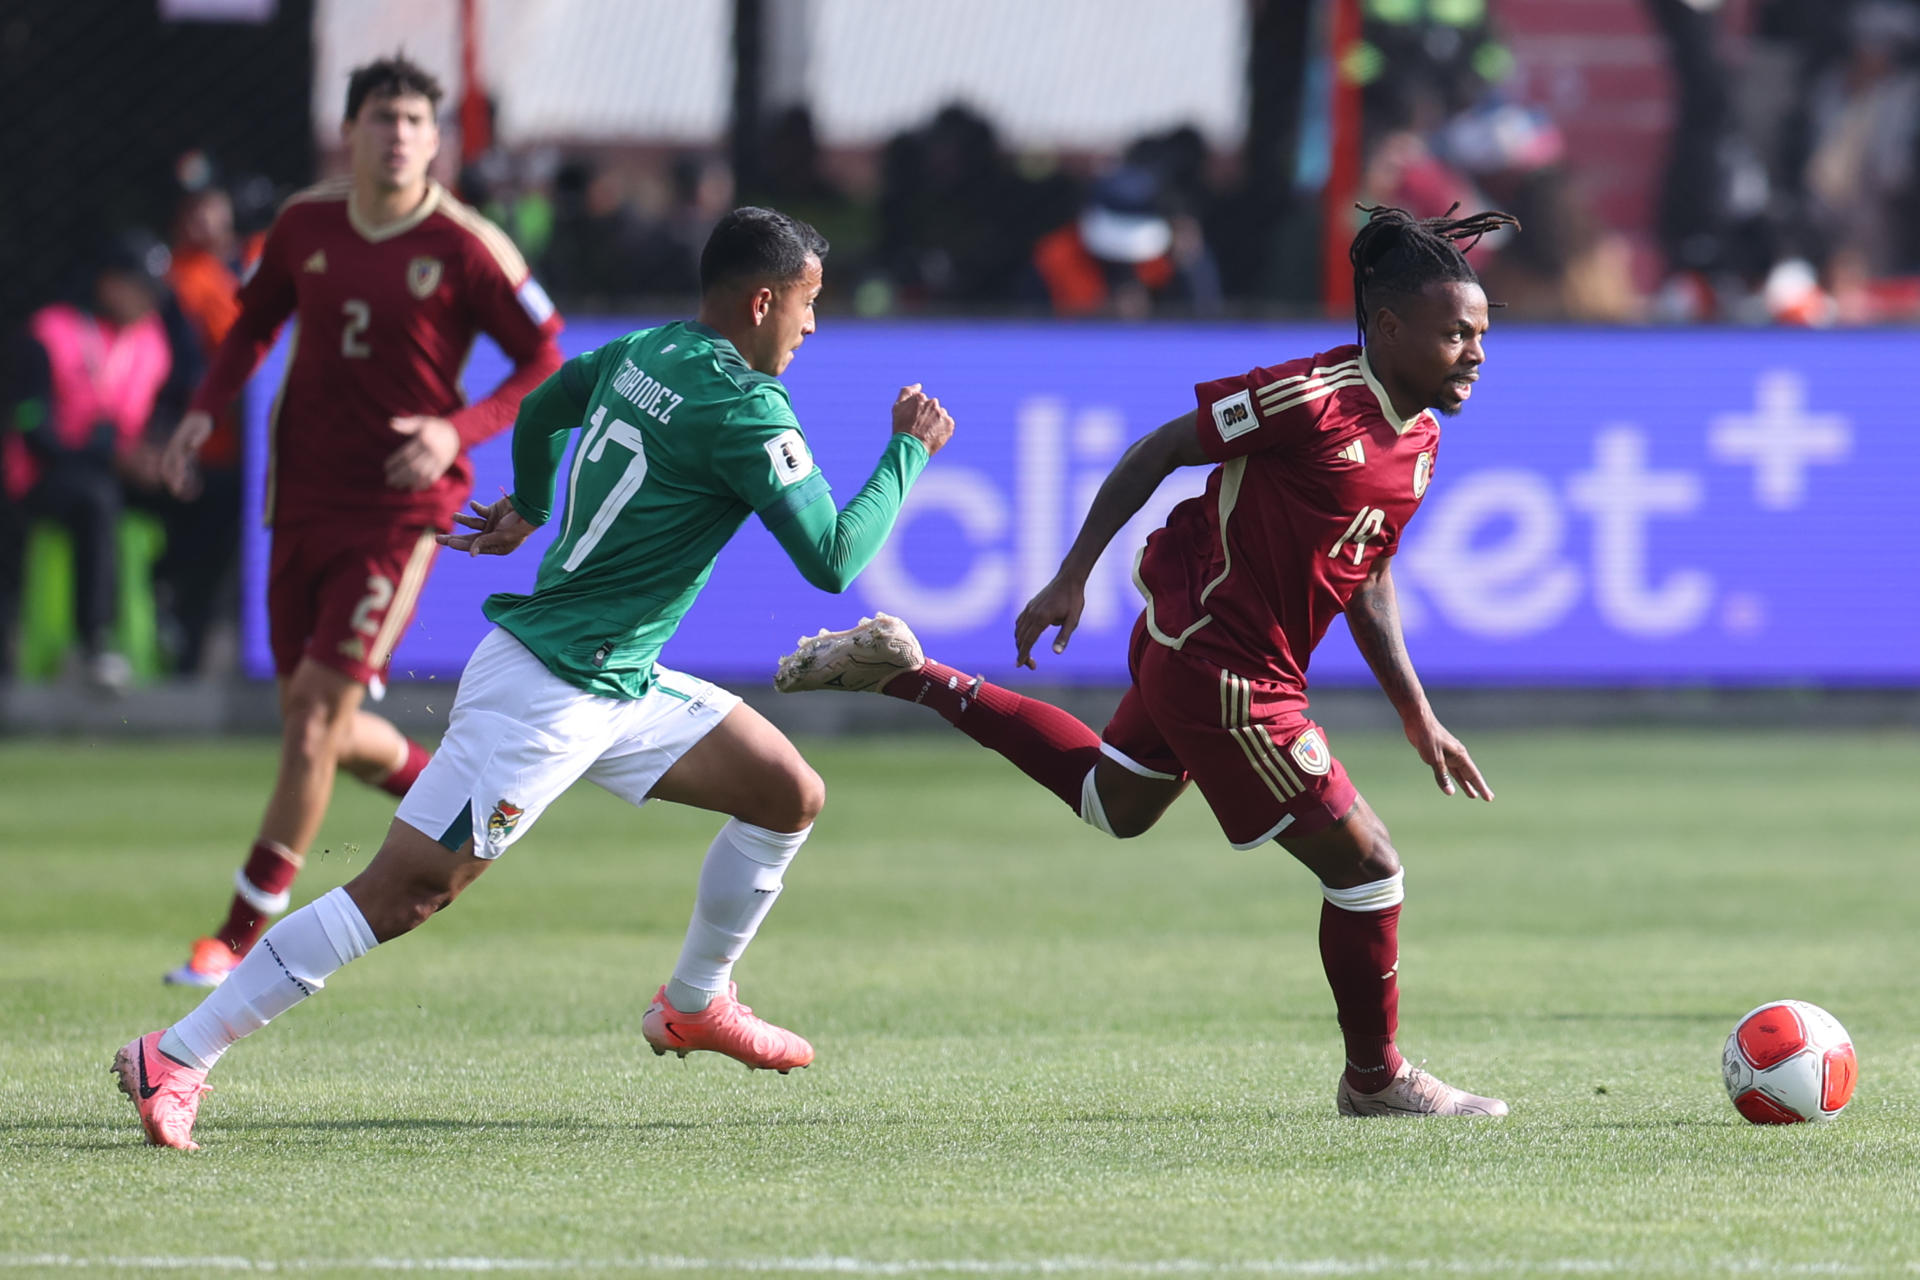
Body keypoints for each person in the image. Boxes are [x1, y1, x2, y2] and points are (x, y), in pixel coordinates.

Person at [112, 205, 956, 1151]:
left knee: (785, 793)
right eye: (807, 306)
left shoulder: (648, 349)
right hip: (549, 690)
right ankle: (177, 1052)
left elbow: (550, 403)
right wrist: (907, 452)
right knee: (405, 892)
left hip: (617, 678)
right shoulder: (745, 407)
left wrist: (530, 503)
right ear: (763, 301)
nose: (810, 326)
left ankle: (694, 1003)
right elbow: (835, 558)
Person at [778, 205, 1516, 1119]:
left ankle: (907, 673)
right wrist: (1070, 575)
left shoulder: (1422, 438)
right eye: (1457, 333)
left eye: (1481, 333)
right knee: (1369, 869)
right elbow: (1165, 447)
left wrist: (1415, 710)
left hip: (1207, 654)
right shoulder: (1312, 398)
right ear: (1391, 328)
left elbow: (1366, 573)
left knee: (1114, 803)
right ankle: (1376, 1080)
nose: (1476, 352)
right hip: (1227, 672)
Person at [155, 55, 566, 987]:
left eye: (417, 120)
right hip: (300, 497)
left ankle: (236, 935)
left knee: (311, 726)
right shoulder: (304, 225)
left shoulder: (468, 245)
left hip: (398, 510)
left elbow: (545, 354)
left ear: (439, 139)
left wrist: (453, 428)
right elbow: (252, 324)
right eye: (383, 117)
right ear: (352, 130)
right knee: (315, 720)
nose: (400, 134)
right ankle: (441, 792)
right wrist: (202, 410)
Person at [1, 230, 190, 692]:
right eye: (142, 288)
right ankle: (95, 643)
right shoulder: (50, 333)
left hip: (117, 471)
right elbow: (34, 429)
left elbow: (158, 417)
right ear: (110, 284)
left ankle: (173, 616)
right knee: (96, 500)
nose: (152, 301)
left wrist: (164, 457)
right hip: (46, 478)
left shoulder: (152, 343)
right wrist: (112, 458)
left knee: (204, 496)